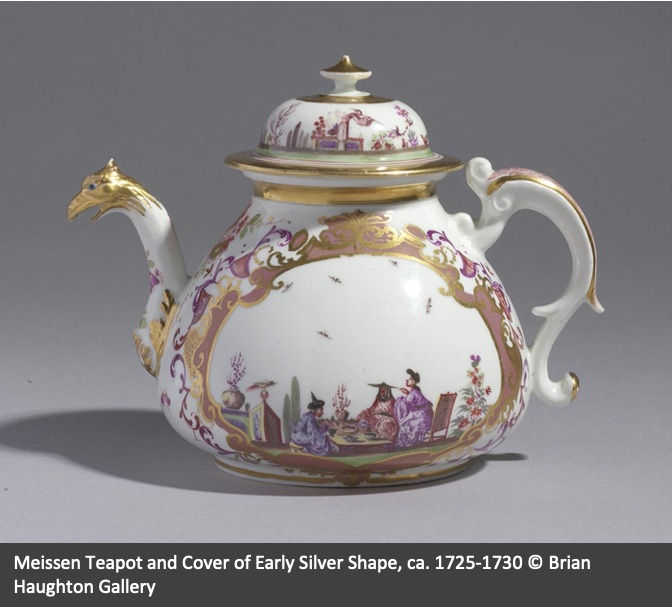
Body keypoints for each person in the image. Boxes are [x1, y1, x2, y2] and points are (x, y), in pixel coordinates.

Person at [394, 369, 434, 448]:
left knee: (405, 424)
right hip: (425, 415)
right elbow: (412, 401)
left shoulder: (414, 392)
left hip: (422, 417)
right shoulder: (415, 391)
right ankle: (414, 441)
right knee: (407, 419)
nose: (407, 380)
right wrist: (407, 393)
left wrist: (399, 401)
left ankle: (407, 442)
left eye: (409, 379)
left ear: (413, 382)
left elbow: (406, 404)